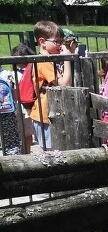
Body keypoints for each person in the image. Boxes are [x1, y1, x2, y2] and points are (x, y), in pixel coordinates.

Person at [28, 20, 74, 150]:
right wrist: (67, 59)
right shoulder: (44, 62)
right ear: (42, 42)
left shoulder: (49, 60)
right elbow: (65, 84)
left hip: (49, 113)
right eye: (57, 41)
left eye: (61, 41)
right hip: (45, 115)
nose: (60, 45)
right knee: (52, 152)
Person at [0, 54, 21, 155]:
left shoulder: (7, 74)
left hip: (7, 112)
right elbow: (15, 93)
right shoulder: (7, 74)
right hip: (7, 111)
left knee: (11, 142)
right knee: (12, 143)